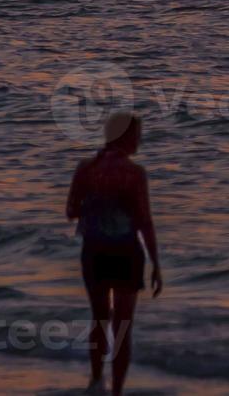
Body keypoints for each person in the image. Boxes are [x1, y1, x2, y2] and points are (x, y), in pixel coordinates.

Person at [66, 112, 162, 396]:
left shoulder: (85, 169)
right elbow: (144, 221)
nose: (140, 141)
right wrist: (156, 264)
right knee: (123, 326)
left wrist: (97, 206)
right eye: (137, 136)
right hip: (125, 253)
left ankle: (96, 382)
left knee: (99, 319)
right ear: (124, 137)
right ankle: (117, 391)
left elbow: (71, 211)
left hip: (93, 252)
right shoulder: (134, 174)